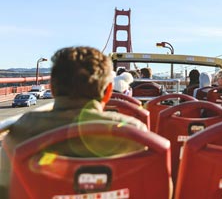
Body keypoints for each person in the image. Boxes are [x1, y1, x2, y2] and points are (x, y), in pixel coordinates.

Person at [0, 46, 148, 197]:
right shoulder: (136, 133)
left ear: (51, 87)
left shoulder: (19, 133)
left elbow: (5, 190)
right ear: (109, 91)